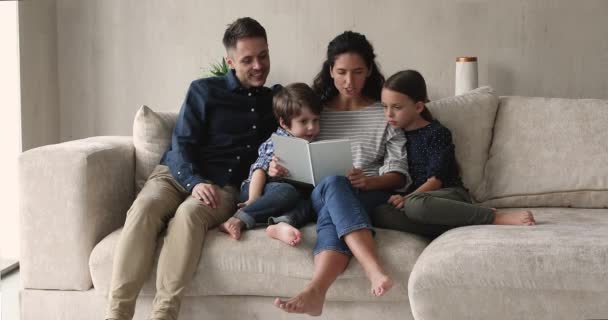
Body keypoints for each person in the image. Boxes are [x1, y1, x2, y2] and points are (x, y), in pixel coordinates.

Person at [105, 17, 279, 320]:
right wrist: (195, 181)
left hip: (223, 186)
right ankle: (116, 314)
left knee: (188, 215)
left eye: (263, 55)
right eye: (247, 59)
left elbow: (297, 129)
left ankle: (163, 314)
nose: (258, 65)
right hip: (175, 173)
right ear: (230, 61)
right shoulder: (204, 90)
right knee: (143, 209)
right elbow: (181, 142)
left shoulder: (275, 101)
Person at [271, 31, 410, 316]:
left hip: (369, 193)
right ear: (330, 71)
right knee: (334, 183)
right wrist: (277, 168)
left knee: (334, 212)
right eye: (342, 72)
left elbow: (399, 173)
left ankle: (316, 291)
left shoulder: (384, 113)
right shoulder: (313, 112)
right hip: (320, 193)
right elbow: (294, 154)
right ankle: (373, 269)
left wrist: (370, 181)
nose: (350, 81)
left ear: (369, 71)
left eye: (358, 72)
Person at [374, 69, 535, 237]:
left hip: (448, 195)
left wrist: (408, 198)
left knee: (416, 205)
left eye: (397, 107)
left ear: (418, 107)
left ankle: (493, 216)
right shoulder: (395, 136)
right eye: (385, 107)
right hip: (419, 203)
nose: (388, 114)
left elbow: (436, 181)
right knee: (379, 213)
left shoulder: (436, 133)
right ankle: (457, 223)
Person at [219, 83, 321, 246]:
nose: (312, 127)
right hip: (258, 189)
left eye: (315, 120)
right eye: (303, 122)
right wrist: (253, 198)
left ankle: (282, 223)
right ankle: (238, 219)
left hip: (291, 197)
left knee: (308, 203)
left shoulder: (313, 144)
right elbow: (258, 169)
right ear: (284, 123)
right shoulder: (277, 142)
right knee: (286, 191)